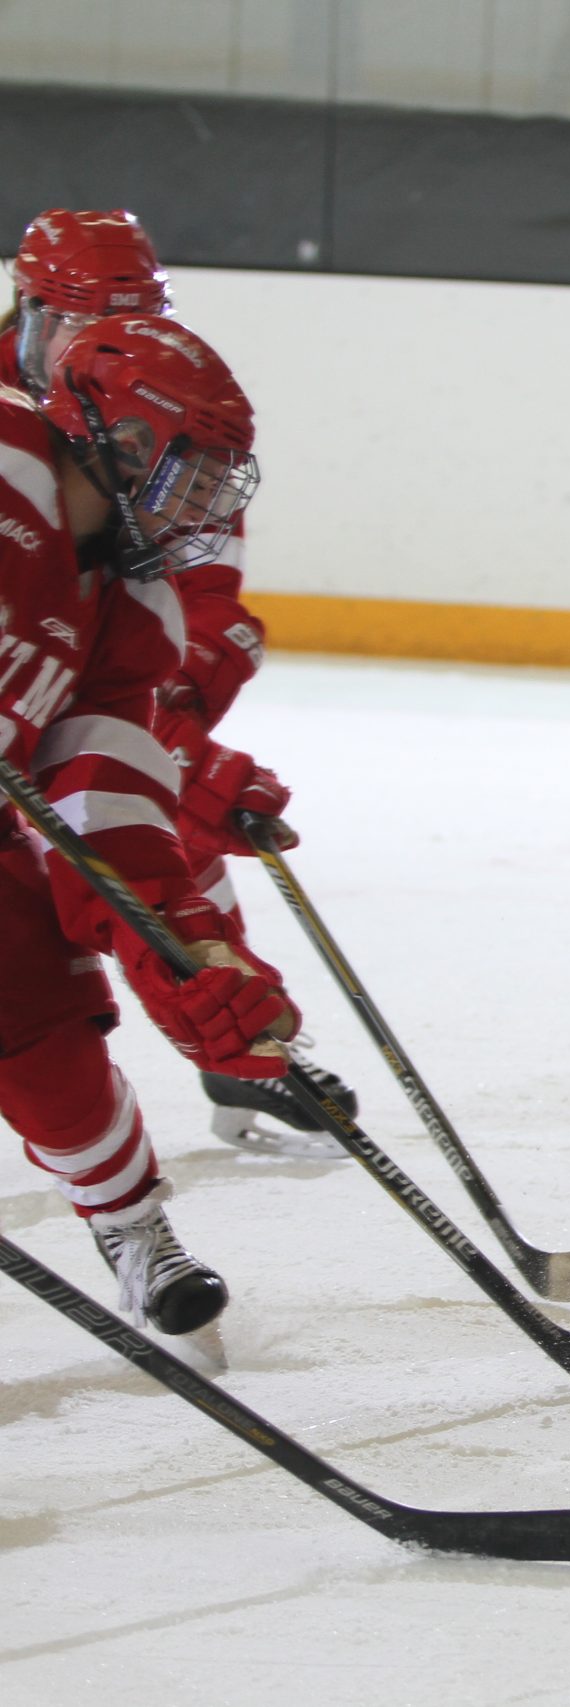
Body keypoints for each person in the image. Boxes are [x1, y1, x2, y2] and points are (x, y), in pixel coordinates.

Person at [5, 207, 358, 1155]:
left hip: (85, 693)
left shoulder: (151, 413)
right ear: (30, 314)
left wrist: (179, 739)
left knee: (154, 823)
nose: (86, 345)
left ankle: (229, 1036)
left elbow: (205, 604)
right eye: (70, 323)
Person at [0, 313, 297, 1333]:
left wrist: (185, 945)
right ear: (118, 443)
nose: (201, 512)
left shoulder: (128, 609)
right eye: (189, 477)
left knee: (42, 1025)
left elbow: (103, 799)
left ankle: (132, 1230)